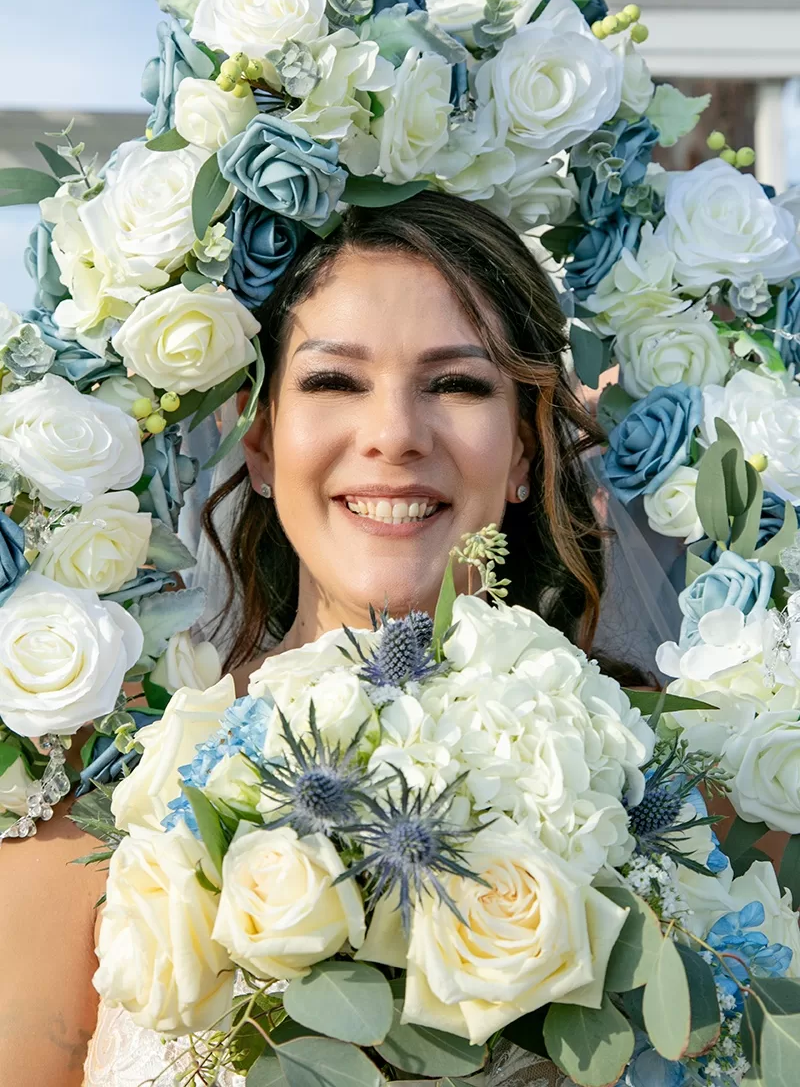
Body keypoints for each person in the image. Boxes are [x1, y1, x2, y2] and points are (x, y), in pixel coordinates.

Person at [1, 193, 628, 1087]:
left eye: (455, 384)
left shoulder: (659, 785)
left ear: (525, 451)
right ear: (259, 443)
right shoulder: (90, 822)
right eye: (335, 382)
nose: (395, 437)